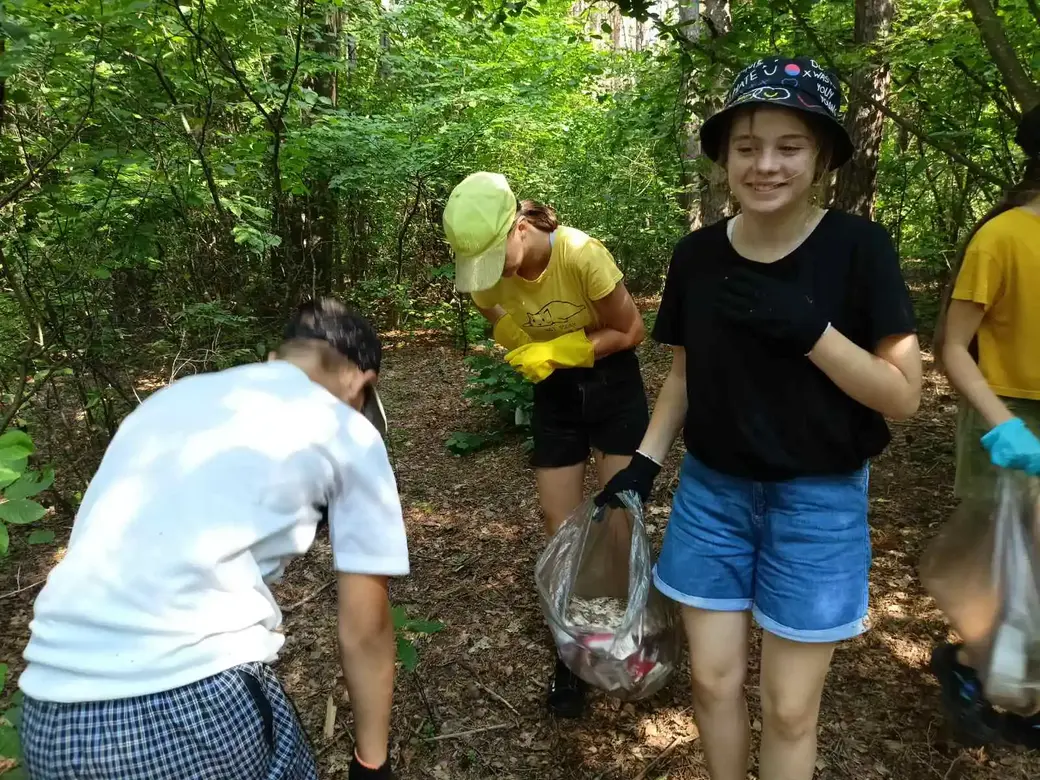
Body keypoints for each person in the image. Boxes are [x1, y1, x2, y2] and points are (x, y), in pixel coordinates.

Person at [597, 56, 922, 780]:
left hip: (820, 501)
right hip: (713, 495)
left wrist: (812, 332)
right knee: (711, 683)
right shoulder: (698, 257)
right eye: (746, 147)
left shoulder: (859, 250)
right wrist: (641, 467)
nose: (765, 164)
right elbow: (684, 375)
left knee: (788, 709)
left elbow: (904, 397)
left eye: (789, 146)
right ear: (723, 159)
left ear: (824, 156)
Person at [17, 298, 408, 780]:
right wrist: (372, 764)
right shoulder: (348, 430)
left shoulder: (165, 403)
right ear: (360, 382)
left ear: (276, 358)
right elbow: (365, 630)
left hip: (48, 711)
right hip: (190, 703)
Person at [442, 172, 649, 718]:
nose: (492, 272)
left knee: (617, 518)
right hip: (556, 397)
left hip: (613, 388)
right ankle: (572, 648)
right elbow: (501, 322)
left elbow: (631, 332)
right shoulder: (485, 276)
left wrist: (558, 350)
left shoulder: (580, 255)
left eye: (496, 255)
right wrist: (522, 347)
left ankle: (626, 636)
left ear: (519, 227)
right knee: (560, 527)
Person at [928, 102, 1040, 749]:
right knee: (1008, 566)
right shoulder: (1001, 237)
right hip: (1008, 417)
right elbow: (950, 345)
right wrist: (1004, 425)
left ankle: (1007, 684)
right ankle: (973, 671)